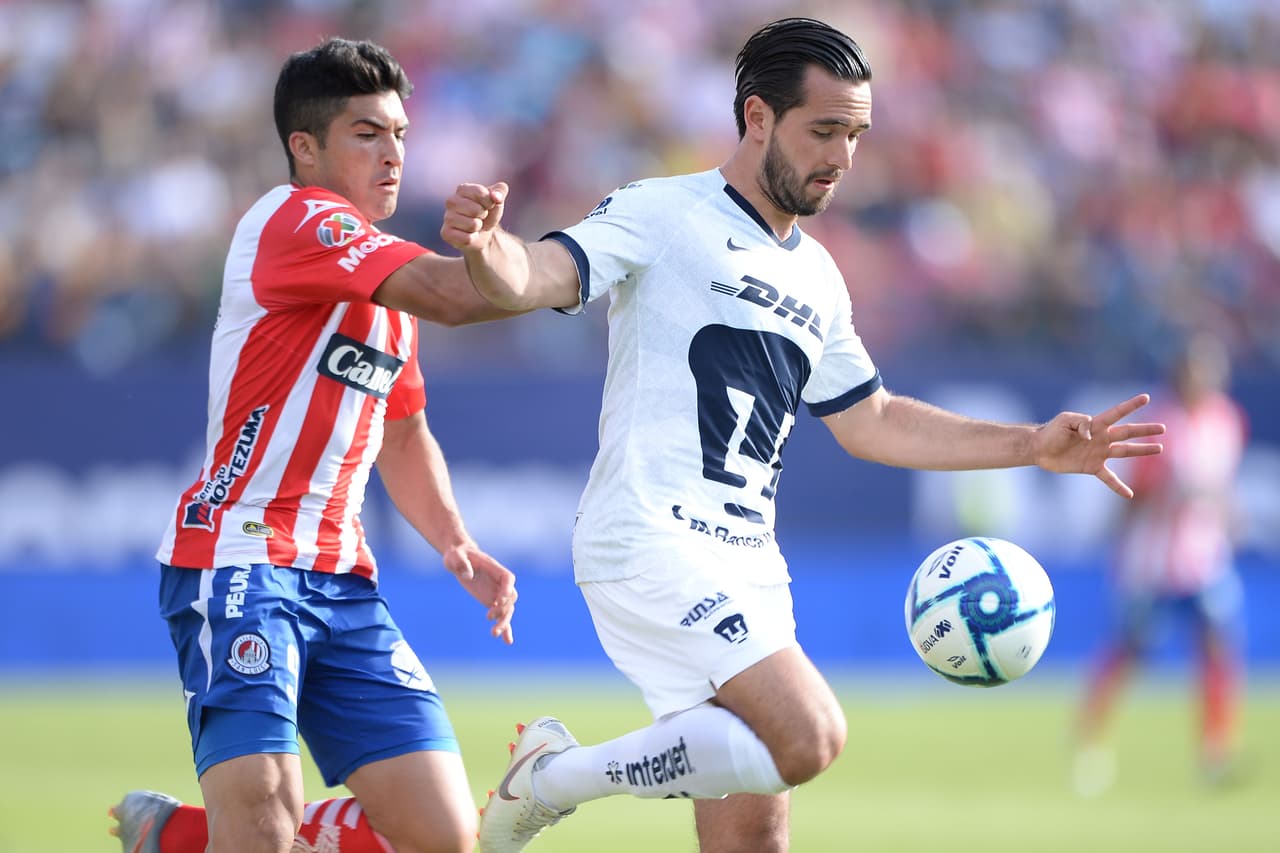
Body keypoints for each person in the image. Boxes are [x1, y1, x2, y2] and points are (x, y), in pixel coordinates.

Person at [439, 17, 1168, 853]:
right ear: (757, 118)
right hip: (648, 535)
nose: (843, 157)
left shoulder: (818, 275)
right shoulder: (662, 210)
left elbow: (873, 418)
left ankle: (551, 773)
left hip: (750, 563)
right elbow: (539, 274)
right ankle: (551, 777)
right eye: (824, 130)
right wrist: (489, 247)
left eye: (856, 135)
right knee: (809, 734)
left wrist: (1034, 444)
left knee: (755, 836)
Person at [108, 37, 525, 853]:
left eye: (401, 133)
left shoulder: (389, 283)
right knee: (262, 817)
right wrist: (549, 262)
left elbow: (403, 435)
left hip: (340, 575)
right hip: (238, 558)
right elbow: (456, 293)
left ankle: (178, 837)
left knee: (446, 839)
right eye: (367, 133)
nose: (394, 152)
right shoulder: (296, 220)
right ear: (306, 147)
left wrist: (455, 542)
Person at [1072, 332, 1249, 796]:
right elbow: (1141, 491)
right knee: (1130, 651)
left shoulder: (1226, 421)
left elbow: (1223, 487)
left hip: (1205, 560)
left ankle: (1214, 751)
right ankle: (1090, 740)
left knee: (1217, 649)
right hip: (1153, 563)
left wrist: (1225, 514)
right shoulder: (1163, 424)